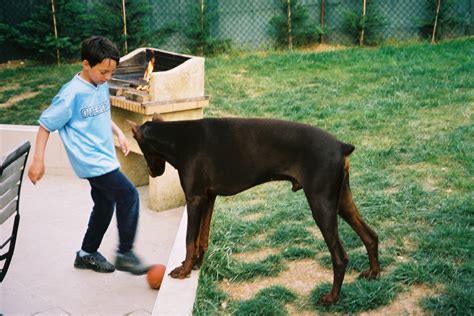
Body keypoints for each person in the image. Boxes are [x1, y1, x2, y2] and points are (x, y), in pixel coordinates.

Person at [28, 36, 149, 275]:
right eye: (103, 72)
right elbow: (45, 124)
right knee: (129, 195)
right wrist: (38, 160)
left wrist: (119, 133)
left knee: (105, 205)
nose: (108, 78)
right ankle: (125, 253)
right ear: (86, 64)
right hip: (92, 162)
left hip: (104, 156)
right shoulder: (71, 94)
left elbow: (102, 115)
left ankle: (86, 254)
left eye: (111, 72)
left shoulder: (100, 84)